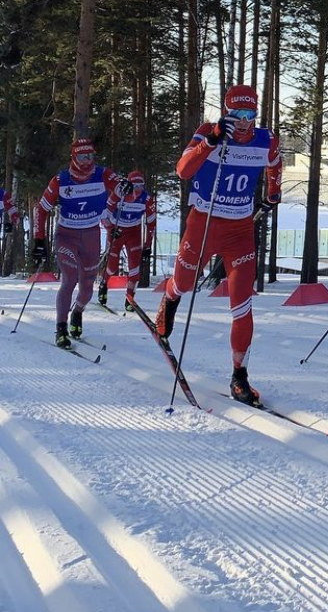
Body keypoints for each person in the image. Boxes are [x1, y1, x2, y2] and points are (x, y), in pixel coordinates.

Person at [151, 84, 281, 405]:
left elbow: (275, 162)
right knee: (184, 282)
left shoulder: (265, 139)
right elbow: (183, 171)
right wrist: (208, 143)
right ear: (226, 112)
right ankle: (170, 298)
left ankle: (240, 376)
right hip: (204, 224)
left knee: (242, 303)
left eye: (249, 115)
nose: (243, 122)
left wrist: (272, 194)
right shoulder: (209, 132)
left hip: (240, 230)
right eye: (236, 115)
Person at [32, 138, 125, 348]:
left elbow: (121, 188)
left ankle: (78, 312)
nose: (87, 161)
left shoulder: (102, 174)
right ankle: (61, 328)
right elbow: (42, 209)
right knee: (70, 278)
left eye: (90, 156)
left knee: (86, 288)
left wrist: (125, 186)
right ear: (74, 158)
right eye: (82, 156)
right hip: (67, 235)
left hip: (91, 236)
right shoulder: (61, 180)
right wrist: (39, 239)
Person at [99, 169, 156, 312]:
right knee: (112, 268)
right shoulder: (118, 195)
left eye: (141, 186)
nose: (137, 190)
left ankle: (130, 298)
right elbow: (104, 213)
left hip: (133, 233)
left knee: (134, 268)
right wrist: (110, 230)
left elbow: (151, 223)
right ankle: (104, 284)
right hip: (116, 232)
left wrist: (148, 246)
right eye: (135, 186)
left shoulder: (147, 199)